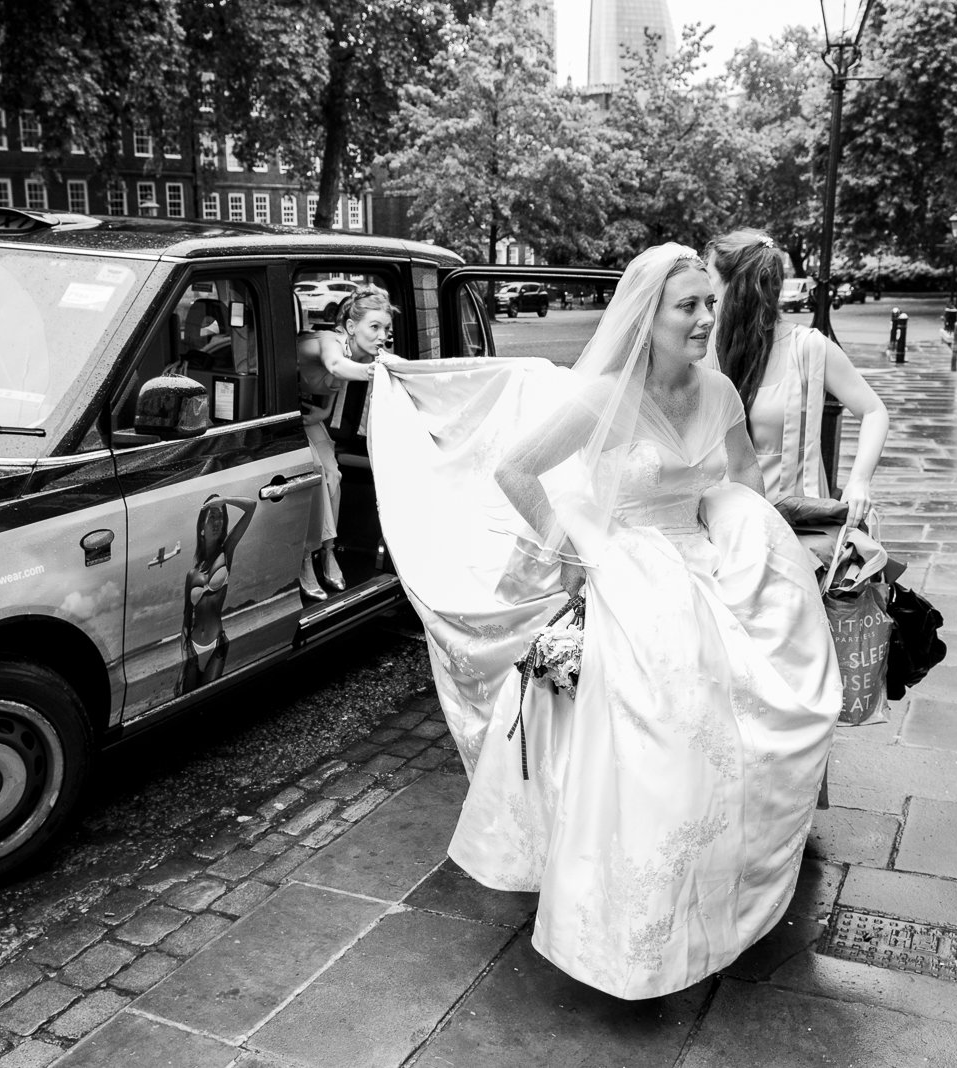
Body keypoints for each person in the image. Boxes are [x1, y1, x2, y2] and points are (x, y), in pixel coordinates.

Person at [368, 245, 841, 1000]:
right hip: (632, 577)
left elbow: (746, 481)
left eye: (707, 304)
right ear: (646, 318)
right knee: (663, 729)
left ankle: (722, 872)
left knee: (757, 712)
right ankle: (636, 916)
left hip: (706, 569)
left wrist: (781, 537)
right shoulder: (603, 399)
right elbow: (517, 470)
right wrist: (581, 552)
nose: (703, 319)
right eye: (686, 306)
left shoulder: (717, 390)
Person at [704, 229, 889, 531]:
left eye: (709, 278)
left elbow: (873, 411)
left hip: (796, 527)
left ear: (737, 288)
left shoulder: (809, 348)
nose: (704, 291)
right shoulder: (702, 346)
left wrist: (859, 481)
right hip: (719, 524)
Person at [295, 287, 392, 598]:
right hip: (273, 418)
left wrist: (317, 413)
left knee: (333, 475)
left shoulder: (360, 354)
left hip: (304, 419)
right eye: (374, 327)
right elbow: (335, 367)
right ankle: (307, 558)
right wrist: (374, 372)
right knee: (315, 476)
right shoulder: (329, 342)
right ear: (351, 327)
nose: (382, 336)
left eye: (386, 329)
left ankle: (327, 551)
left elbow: (325, 400)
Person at [182, 494, 256, 692]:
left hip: (217, 643)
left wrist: (225, 500)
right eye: (212, 516)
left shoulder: (226, 553)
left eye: (221, 516)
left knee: (206, 698)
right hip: (193, 648)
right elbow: (186, 620)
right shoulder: (192, 575)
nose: (217, 521)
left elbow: (251, 507)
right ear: (201, 528)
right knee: (186, 702)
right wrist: (186, 653)